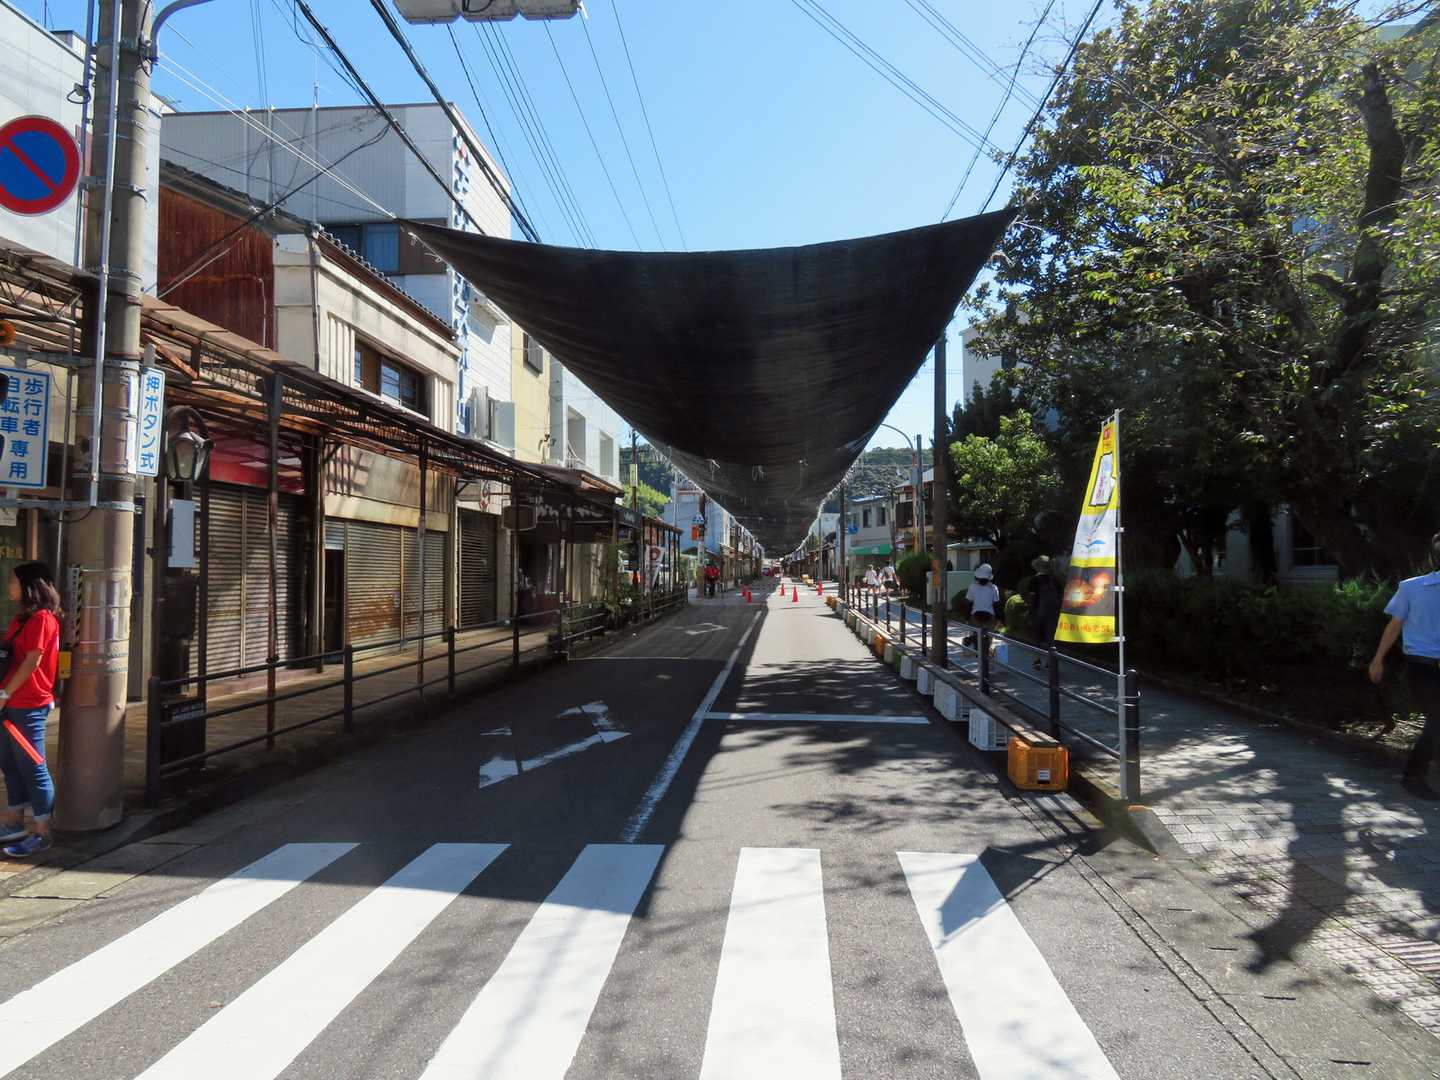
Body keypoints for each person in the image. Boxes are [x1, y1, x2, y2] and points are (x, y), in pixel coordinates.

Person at [0, 562, 62, 857]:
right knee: (10, 763)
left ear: (29, 587)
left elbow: (32, 661)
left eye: (13, 581)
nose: (9, 586)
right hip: (10, 703)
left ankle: (42, 832)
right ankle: (14, 823)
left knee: (34, 767)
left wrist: (5, 693)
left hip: (29, 705)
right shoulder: (21, 619)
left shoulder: (42, 619)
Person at [1370, 537, 1440, 800]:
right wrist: (1378, 659)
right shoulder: (1412, 588)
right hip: (1423, 667)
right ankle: (1412, 775)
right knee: (1438, 719)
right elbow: (1394, 626)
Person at [1028, 555, 1063, 669]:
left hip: (1038, 612)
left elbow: (1032, 598)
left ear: (1037, 567)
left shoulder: (1034, 580)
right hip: (1053, 613)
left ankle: (1037, 660)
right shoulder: (1055, 580)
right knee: (1051, 637)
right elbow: (1060, 596)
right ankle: (1051, 661)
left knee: (1036, 636)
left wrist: (1031, 612)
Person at [964, 563, 1001, 641]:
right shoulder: (994, 588)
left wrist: (967, 618)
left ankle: (977, 648)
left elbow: (968, 603)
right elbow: (996, 605)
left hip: (975, 616)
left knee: (975, 639)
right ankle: (987, 647)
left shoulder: (972, 587)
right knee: (989, 640)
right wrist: (998, 619)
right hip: (990, 616)